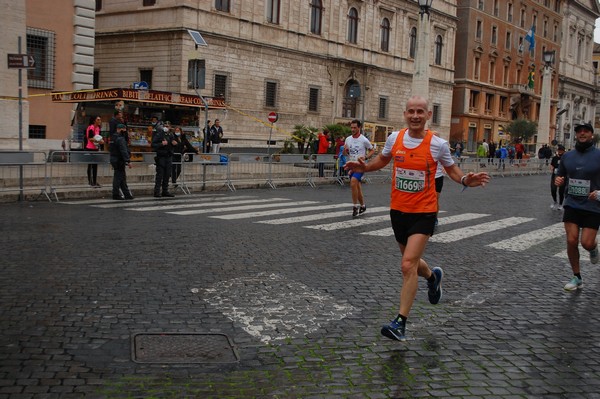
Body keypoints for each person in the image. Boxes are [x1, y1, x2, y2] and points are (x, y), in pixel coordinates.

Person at [344, 96, 490, 342]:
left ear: (427, 115)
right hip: (398, 211)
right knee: (410, 261)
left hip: (424, 212)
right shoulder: (395, 138)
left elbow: (451, 168)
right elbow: (383, 159)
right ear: (405, 113)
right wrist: (363, 167)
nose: (415, 116)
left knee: (407, 265)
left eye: (420, 112)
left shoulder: (438, 144)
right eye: (411, 111)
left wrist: (465, 179)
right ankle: (433, 277)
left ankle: (400, 323)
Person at [555, 123, 600, 291]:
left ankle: (593, 247)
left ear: (591, 135)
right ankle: (577, 276)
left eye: (586, 131)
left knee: (586, 243)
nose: (582, 133)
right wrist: (558, 180)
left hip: (593, 205)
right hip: (572, 203)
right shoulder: (567, 156)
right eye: (579, 131)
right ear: (576, 135)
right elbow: (560, 175)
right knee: (571, 240)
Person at [343, 119, 375, 217]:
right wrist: (345, 151)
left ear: (359, 128)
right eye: (351, 127)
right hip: (351, 166)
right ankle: (363, 205)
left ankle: (355, 207)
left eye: (354, 128)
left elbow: (372, 150)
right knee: (357, 187)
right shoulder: (348, 139)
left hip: (360, 166)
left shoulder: (363, 139)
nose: (352, 129)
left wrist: (365, 157)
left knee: (353, 182)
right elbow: (345, 153)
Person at [151, 123, 177, 198]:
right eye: (165, 126)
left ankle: (165, 191)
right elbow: (153, 144)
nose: (167, 128)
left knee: (167, 175)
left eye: (168, 126)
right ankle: (157, 192)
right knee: (160, 175)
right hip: (161, 157)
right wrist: (161, 144)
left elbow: (173, 143)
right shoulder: (159, 134)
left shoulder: (170, 135)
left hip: (168, 157)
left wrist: (174, 144)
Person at [109, 123, 133, 200]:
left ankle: (127, 194)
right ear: (120, 129)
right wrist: (128, 161)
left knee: (122, 177)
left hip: (114, 159)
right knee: (118, 178)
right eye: (124, 130)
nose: (125, 131)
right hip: (119, 160)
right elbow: (123, 150)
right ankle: (115, 194)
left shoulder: (113, 137)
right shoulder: (120, 138)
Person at [85, 115, 104, 187]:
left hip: (96, 148)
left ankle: (95, 181)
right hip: (89, 148)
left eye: (100, 120)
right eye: (98, 119)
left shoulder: (98, 128)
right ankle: (90, 181)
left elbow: (98, 137)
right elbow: (90, 138)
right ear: (94, 121)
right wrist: (99, 141)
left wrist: (100, 141)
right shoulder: (91, 127)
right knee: (90, 165)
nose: (100, 121)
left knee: (95, 166)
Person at [550, 144, 566, 211]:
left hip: (563, 176)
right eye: (559, 150)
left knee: (561, 191)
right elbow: (552, 165)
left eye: (561, 150)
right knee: (553, 189)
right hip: (555, 175)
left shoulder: (565, 158)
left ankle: (560, 204)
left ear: (563, 151)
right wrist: (551, 169)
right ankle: (555, 201)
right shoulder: (555, 158)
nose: (560, 151)